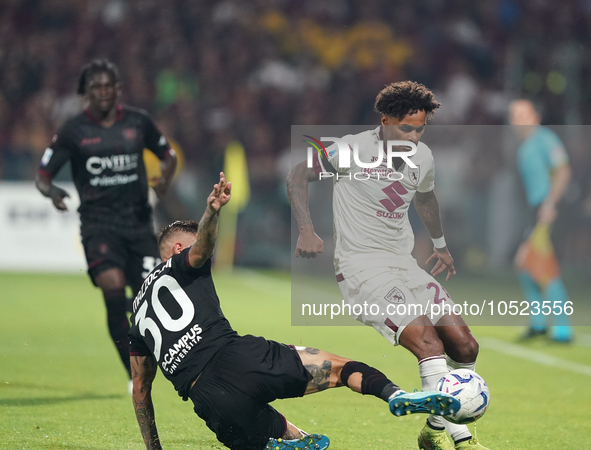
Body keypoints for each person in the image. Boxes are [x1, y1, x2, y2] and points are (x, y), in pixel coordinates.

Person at [128, 172, 460, 450]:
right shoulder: (182, 264)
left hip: (208, 401)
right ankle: (395, 394)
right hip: (241, 359)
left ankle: (276, 442)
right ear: (176, 249)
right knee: (342, 369)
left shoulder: (137, 314)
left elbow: (141, 391)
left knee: (284, 434)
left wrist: (155, 448)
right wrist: (212, 213)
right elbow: (202, 247)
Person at [287, 81, 487, 450]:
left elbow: (425, 198)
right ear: (385, 121)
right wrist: (306, 229)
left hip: (404, 265)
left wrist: (441, 245)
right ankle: (458, 438)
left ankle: (431, 432)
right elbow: (299, 173)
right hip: (362, 270)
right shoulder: (351, 149)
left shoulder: (423, 156)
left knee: (465, 347)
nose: (413, 136)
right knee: (429, 344)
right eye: (405, 128)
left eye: (420, 128)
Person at [35, 59, 177, 389]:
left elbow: (168, 155)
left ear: (118, 89)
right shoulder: (73, 130)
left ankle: (156, 349)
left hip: (139, 225)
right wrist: (52, 191)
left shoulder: (138, 122)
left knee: (150, 300)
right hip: (98, 226)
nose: (102, 92)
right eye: (96, 87)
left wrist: (164, 180)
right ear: (86, 92)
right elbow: (43, 176)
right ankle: (133, 375)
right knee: (113, 293)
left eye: (108, 86)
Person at [509, 99, 573, 343]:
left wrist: (551, 203)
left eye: (523, 113)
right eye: (514, 115)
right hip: (535, 209)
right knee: (524, 266)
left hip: (549, 208)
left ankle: (562, 329)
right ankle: (538, 323)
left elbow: (563, 171)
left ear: (535, 116)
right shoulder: (523, 146)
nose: (517, 119)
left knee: (543, 267)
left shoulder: (545, 138)